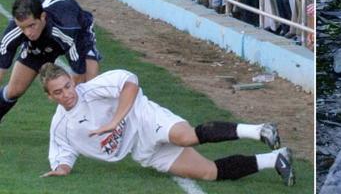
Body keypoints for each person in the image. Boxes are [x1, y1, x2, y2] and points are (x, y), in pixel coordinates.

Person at [39, 64, 295, 186]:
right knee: (209, 172)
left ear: (73, 82)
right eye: (58, 92)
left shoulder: (92, 90)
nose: (67, 94)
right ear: (49, 97)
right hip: (140, 149)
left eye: (68, 86)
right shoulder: (61, 125)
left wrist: (114, 121)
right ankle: (276, 159)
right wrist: (62, 168)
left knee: (185, 136)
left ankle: (260, 129)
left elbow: (130, 84)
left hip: (144, 117)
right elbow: (63, 152)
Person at [0, 0, 101, 123]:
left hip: (79, 34)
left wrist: (70, 102)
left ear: (43, 17)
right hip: (42, 40)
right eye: (22, 27)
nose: (28, 33)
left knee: (89, 86)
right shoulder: (17, 29)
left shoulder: (67, 29)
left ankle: (85, 125)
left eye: (31, 25)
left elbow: (78, 74)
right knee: (14, 90)